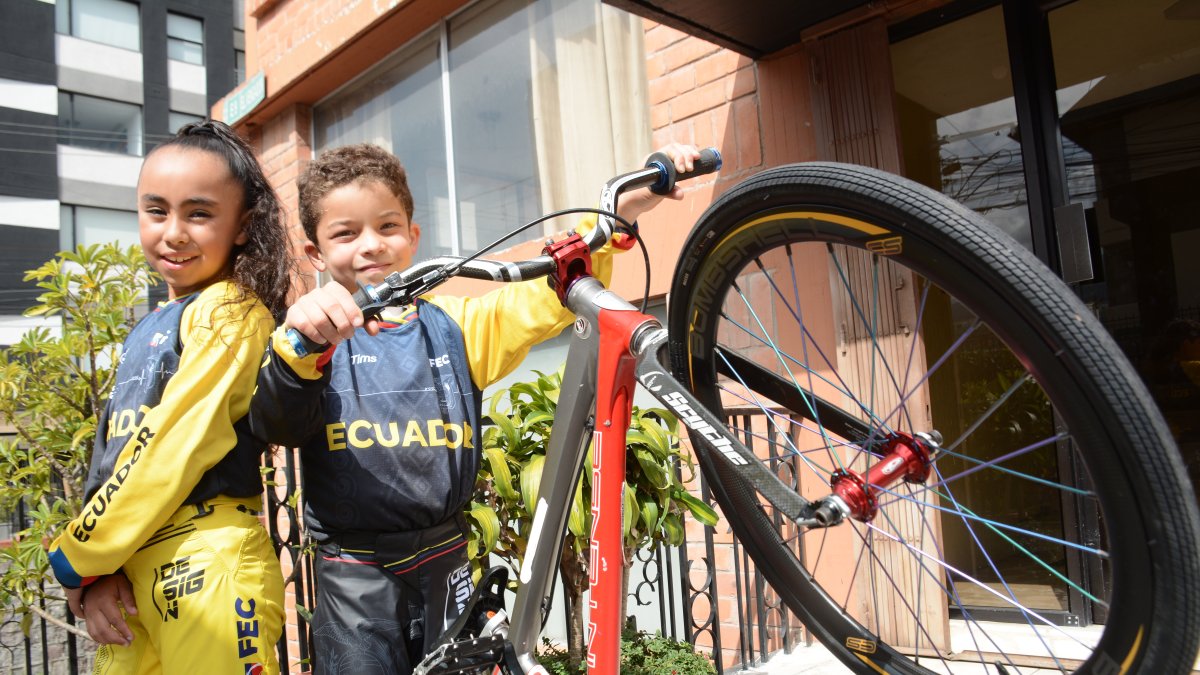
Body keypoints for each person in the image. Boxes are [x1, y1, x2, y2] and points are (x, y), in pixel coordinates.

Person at [255, 142, 700, 674]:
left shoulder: (455, 325)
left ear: (413, 236)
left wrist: (618, 214)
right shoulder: (311, 334)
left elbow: (540, 298)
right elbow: (274, 419)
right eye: (346, 233)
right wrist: (300, 343)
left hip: (446, 561)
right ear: (316, 253)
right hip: (355, 575)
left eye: (388, 226)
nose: (371, 246)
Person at [46, 120, 294, 674]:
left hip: (206, 558)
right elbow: (113, 453)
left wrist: (80, 556)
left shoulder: (232, 309)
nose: (174, 232)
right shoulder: (153, 324)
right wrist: (104, 568)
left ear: (242, 226)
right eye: (156, 211)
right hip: (130, 569)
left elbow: (175, 439)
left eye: (199, 213)